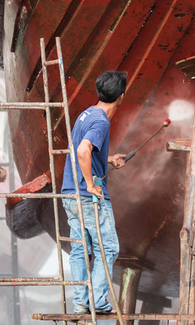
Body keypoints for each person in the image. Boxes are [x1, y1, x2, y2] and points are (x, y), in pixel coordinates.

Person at [61, 71, 127, 314]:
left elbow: (85, 149)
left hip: (70, 193)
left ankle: (80, 303)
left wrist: (107, 159)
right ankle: (98, 302)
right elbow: (82, 151)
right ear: (121, 96)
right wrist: (90, 184)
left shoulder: (86, 114)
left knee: (79, 248)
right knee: (108, 248)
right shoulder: (101, 120)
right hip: (88, 196)